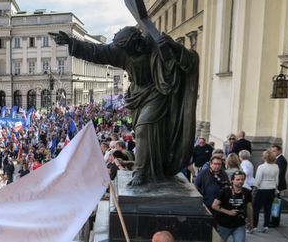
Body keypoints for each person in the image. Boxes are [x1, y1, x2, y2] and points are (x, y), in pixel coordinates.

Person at [52, 26, 198, 185]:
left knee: (144, 127)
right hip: (138, 94)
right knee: (147, 131)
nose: (126, 53)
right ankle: (152, 168)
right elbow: (96, 51)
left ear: (136, 43)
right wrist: (71, 42)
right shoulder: (120, 50)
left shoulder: (155, 45)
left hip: (157, 92)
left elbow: (189, 62)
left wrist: (174, 47)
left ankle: (141, 171)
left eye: (130, 49)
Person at [211, 171, 253, 242]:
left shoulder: (247, 192)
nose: (240, 182)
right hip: (224, 225)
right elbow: (214, 205)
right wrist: (228, 212)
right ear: (232, 180)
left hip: (239, 225)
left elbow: (249, 207)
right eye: (238, 179)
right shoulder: (224, 191)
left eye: (242, 179)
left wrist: (251, 221)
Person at [253, 150, 280, 233]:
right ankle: (266, 225)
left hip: (262, 189)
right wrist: (275, 188)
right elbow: (277, 179)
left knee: (256, 208)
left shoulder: (261, 167)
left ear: (264, 157)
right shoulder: (276, 166)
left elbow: (258, 179)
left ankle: (254, 226)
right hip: (271, 189)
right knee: (268, 208)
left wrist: (255, 188)